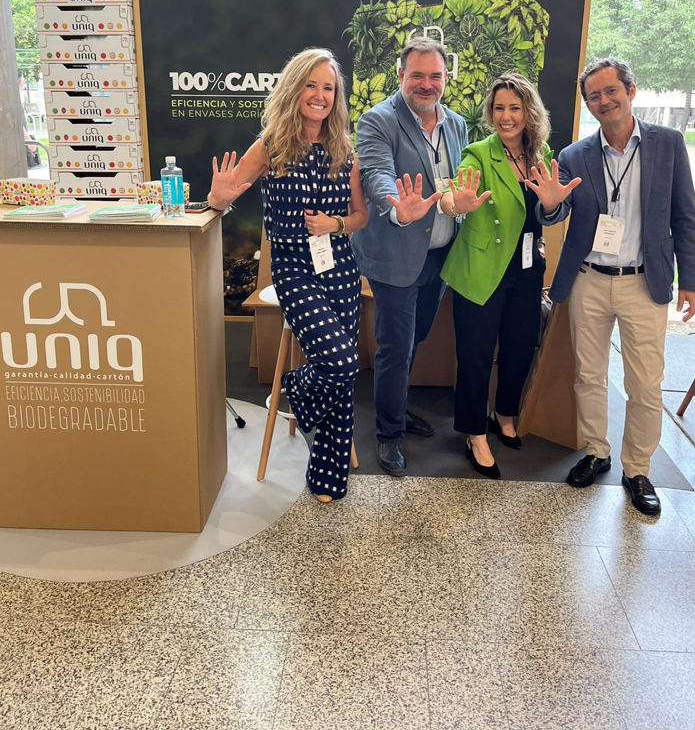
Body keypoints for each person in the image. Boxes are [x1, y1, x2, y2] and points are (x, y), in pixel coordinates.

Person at [530, 56, 695, 516]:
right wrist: (549, 206)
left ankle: (637, 469)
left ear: (630, 91)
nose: (603, 101)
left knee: (645, 383)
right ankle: (596, 452)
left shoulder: (668, 144)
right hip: (589, 280)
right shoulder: (574, 155)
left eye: (610, 91)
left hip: (645, 281)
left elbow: (685, 216)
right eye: (594, 96)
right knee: (589, 375)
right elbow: (556, 212)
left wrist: (690, 279)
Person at [208, 48, 368, 503]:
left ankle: (327, 476)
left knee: (341, 376)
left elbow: (361, 216)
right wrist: (218, 199)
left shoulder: (345, 149)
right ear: (295, 89)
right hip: (295, 269)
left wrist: (335, 223)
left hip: (340, 268)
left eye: (328, 88)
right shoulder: (272, 145)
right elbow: (225, 196)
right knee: (340, 363)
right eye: (311, 85)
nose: (320, 95)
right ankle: (293, 389)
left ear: (336, 97)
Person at [352, 36, 468, 476]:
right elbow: (376, 172)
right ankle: (388, 434)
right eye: (417, 75)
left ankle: (396, 407)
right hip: (395, 255)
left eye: (435, 76)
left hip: (439, 256)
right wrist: (396, 207)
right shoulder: (378, 120)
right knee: (395, 347)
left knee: (415, 338)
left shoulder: (456, 124)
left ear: (445, 77)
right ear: (400, 74)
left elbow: (456, 182)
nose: (426, 84)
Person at [439, 74, 553, 478]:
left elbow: (548, 209)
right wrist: (456, 204)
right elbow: (453, 194)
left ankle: (503, 413)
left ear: (528, 112)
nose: (506, 117)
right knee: (475, 355)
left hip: (526, 269)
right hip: (481, 268)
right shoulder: (479, 153)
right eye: (499, 108)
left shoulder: (541, 153)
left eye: (515, 108)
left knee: (520, 347)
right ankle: (474, 433)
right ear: (490, 112)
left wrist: (553, 208)